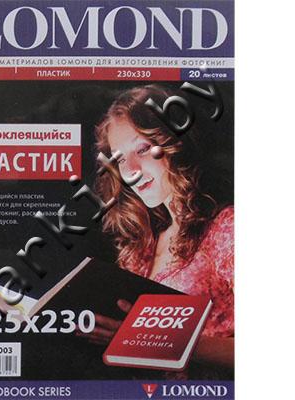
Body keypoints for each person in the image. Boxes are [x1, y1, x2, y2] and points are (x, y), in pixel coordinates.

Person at [77, 85, 234, 379]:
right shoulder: (140, 251)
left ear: (176, 143)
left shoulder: (226, 229)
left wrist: (152, 340)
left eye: (143, 149)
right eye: (119, 159)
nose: (131, 170)